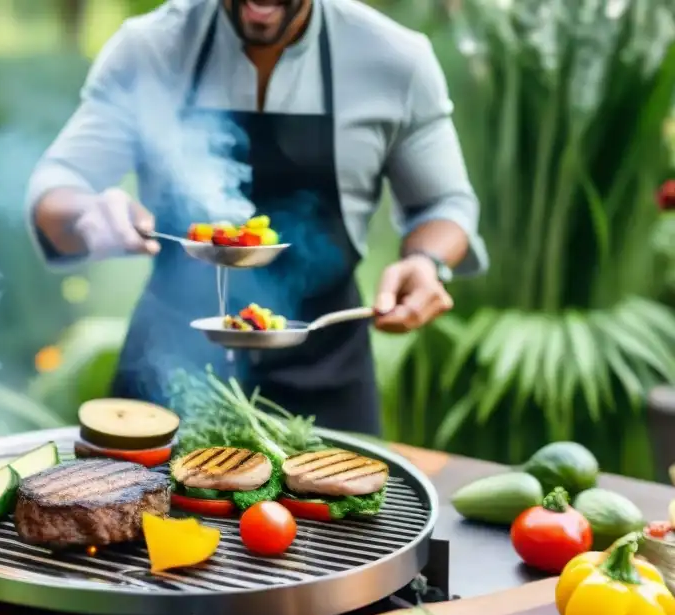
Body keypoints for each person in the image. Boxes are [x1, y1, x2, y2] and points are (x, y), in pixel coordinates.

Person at [27, 0, 488, 434]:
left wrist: (426, 261)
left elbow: (444, 204)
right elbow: (58, 185)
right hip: (166, 372)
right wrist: (88, 214)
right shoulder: (151, 48)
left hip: (326, 378)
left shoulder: (393, 59)